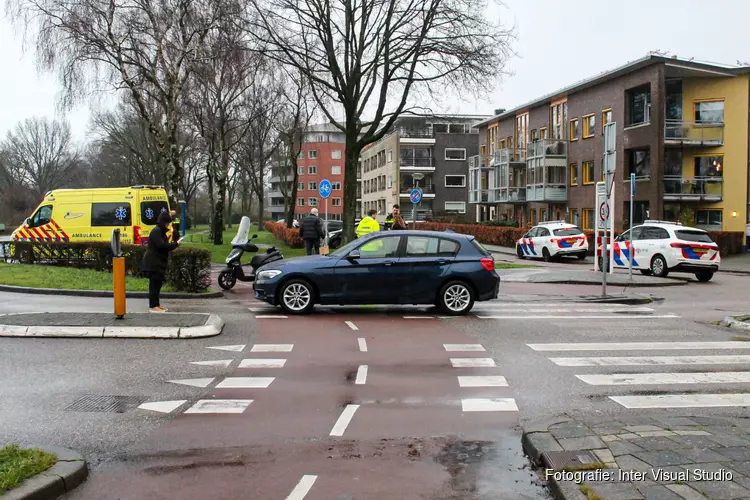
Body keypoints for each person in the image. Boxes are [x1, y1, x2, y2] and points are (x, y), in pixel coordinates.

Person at [141, 211, 179, 312]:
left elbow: (164, 246)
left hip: (158, 262)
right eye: (166, 223)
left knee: (157, 284)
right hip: (153, 263)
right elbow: (162, 246)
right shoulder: (156, 232)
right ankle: (153, 305)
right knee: (154, 284)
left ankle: (156, 304)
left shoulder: (161, 232)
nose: (167, 225)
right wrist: (175, 244)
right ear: (162, 222)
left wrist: (174, 244)